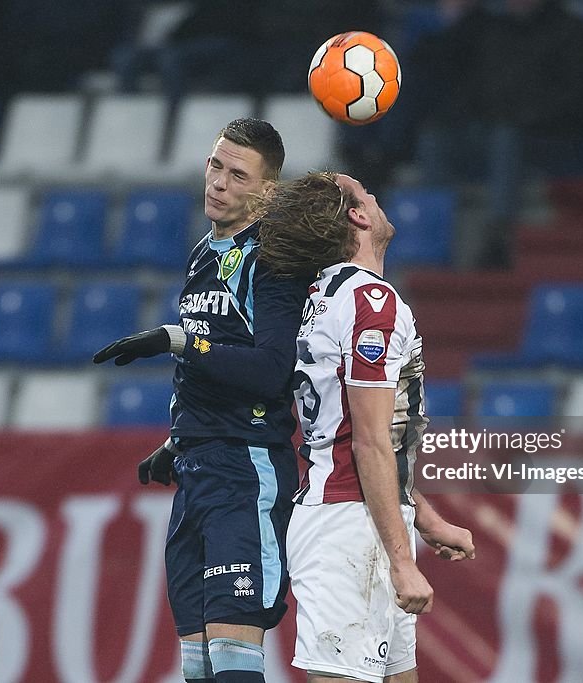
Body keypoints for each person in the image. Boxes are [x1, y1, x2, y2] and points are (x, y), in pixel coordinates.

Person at [93, 119, 310, 683]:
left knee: (234, 658)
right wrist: (179, 438)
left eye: (238, 175)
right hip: (199, 469)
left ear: (266, 191)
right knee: (199, 666)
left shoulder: (272, 261)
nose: (218, 182)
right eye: (216, 165)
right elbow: (223, 355)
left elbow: (270, 369)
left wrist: (177, 339)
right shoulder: (205, 255)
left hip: (246, 469)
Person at [256, 171, 476, 682]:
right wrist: (403, 561)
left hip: (362, 515)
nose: (377, 199)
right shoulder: (370, 304)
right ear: (357, 215)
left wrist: (424, 519)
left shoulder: (324, 296)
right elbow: (370, 442)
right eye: (367, 194)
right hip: (348, 526)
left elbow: (362, 435)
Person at [414, 0, 583, 268]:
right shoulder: (492, 29)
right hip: (490, 131)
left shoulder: (571, 31)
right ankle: (430, 232)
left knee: (506, 136)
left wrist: (526, 117)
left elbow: (577, 101)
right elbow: (455, 76)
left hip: (549, 139)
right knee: (436, 137)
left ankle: (498, 235)